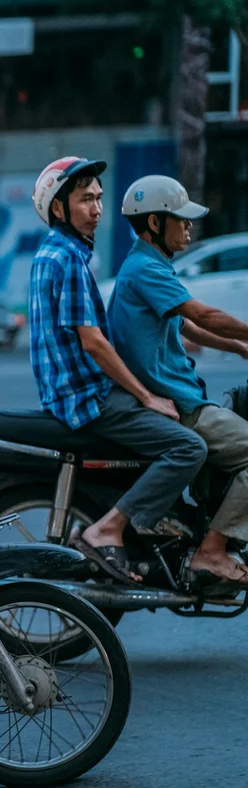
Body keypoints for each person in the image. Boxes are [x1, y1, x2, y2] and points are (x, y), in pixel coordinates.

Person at [28, 156, 206, 583]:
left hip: (73, 390)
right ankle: (110, 527)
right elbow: (93, 342)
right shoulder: (69, 258)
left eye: (99, 198)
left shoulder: (56, 252)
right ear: (58, 209)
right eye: (85, 199)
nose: (96, 209)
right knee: (190, 447)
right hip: (88, 397)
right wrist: (146, 397)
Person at [108, 175, 248, 584]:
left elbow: (185, 326)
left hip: (180, 392)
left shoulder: (148, 266)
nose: (189, 227)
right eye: (180, 220)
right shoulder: (145, 270)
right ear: (154, 223)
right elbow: (203, 314)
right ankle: (213, 551)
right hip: (176, 401)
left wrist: (238, 348)